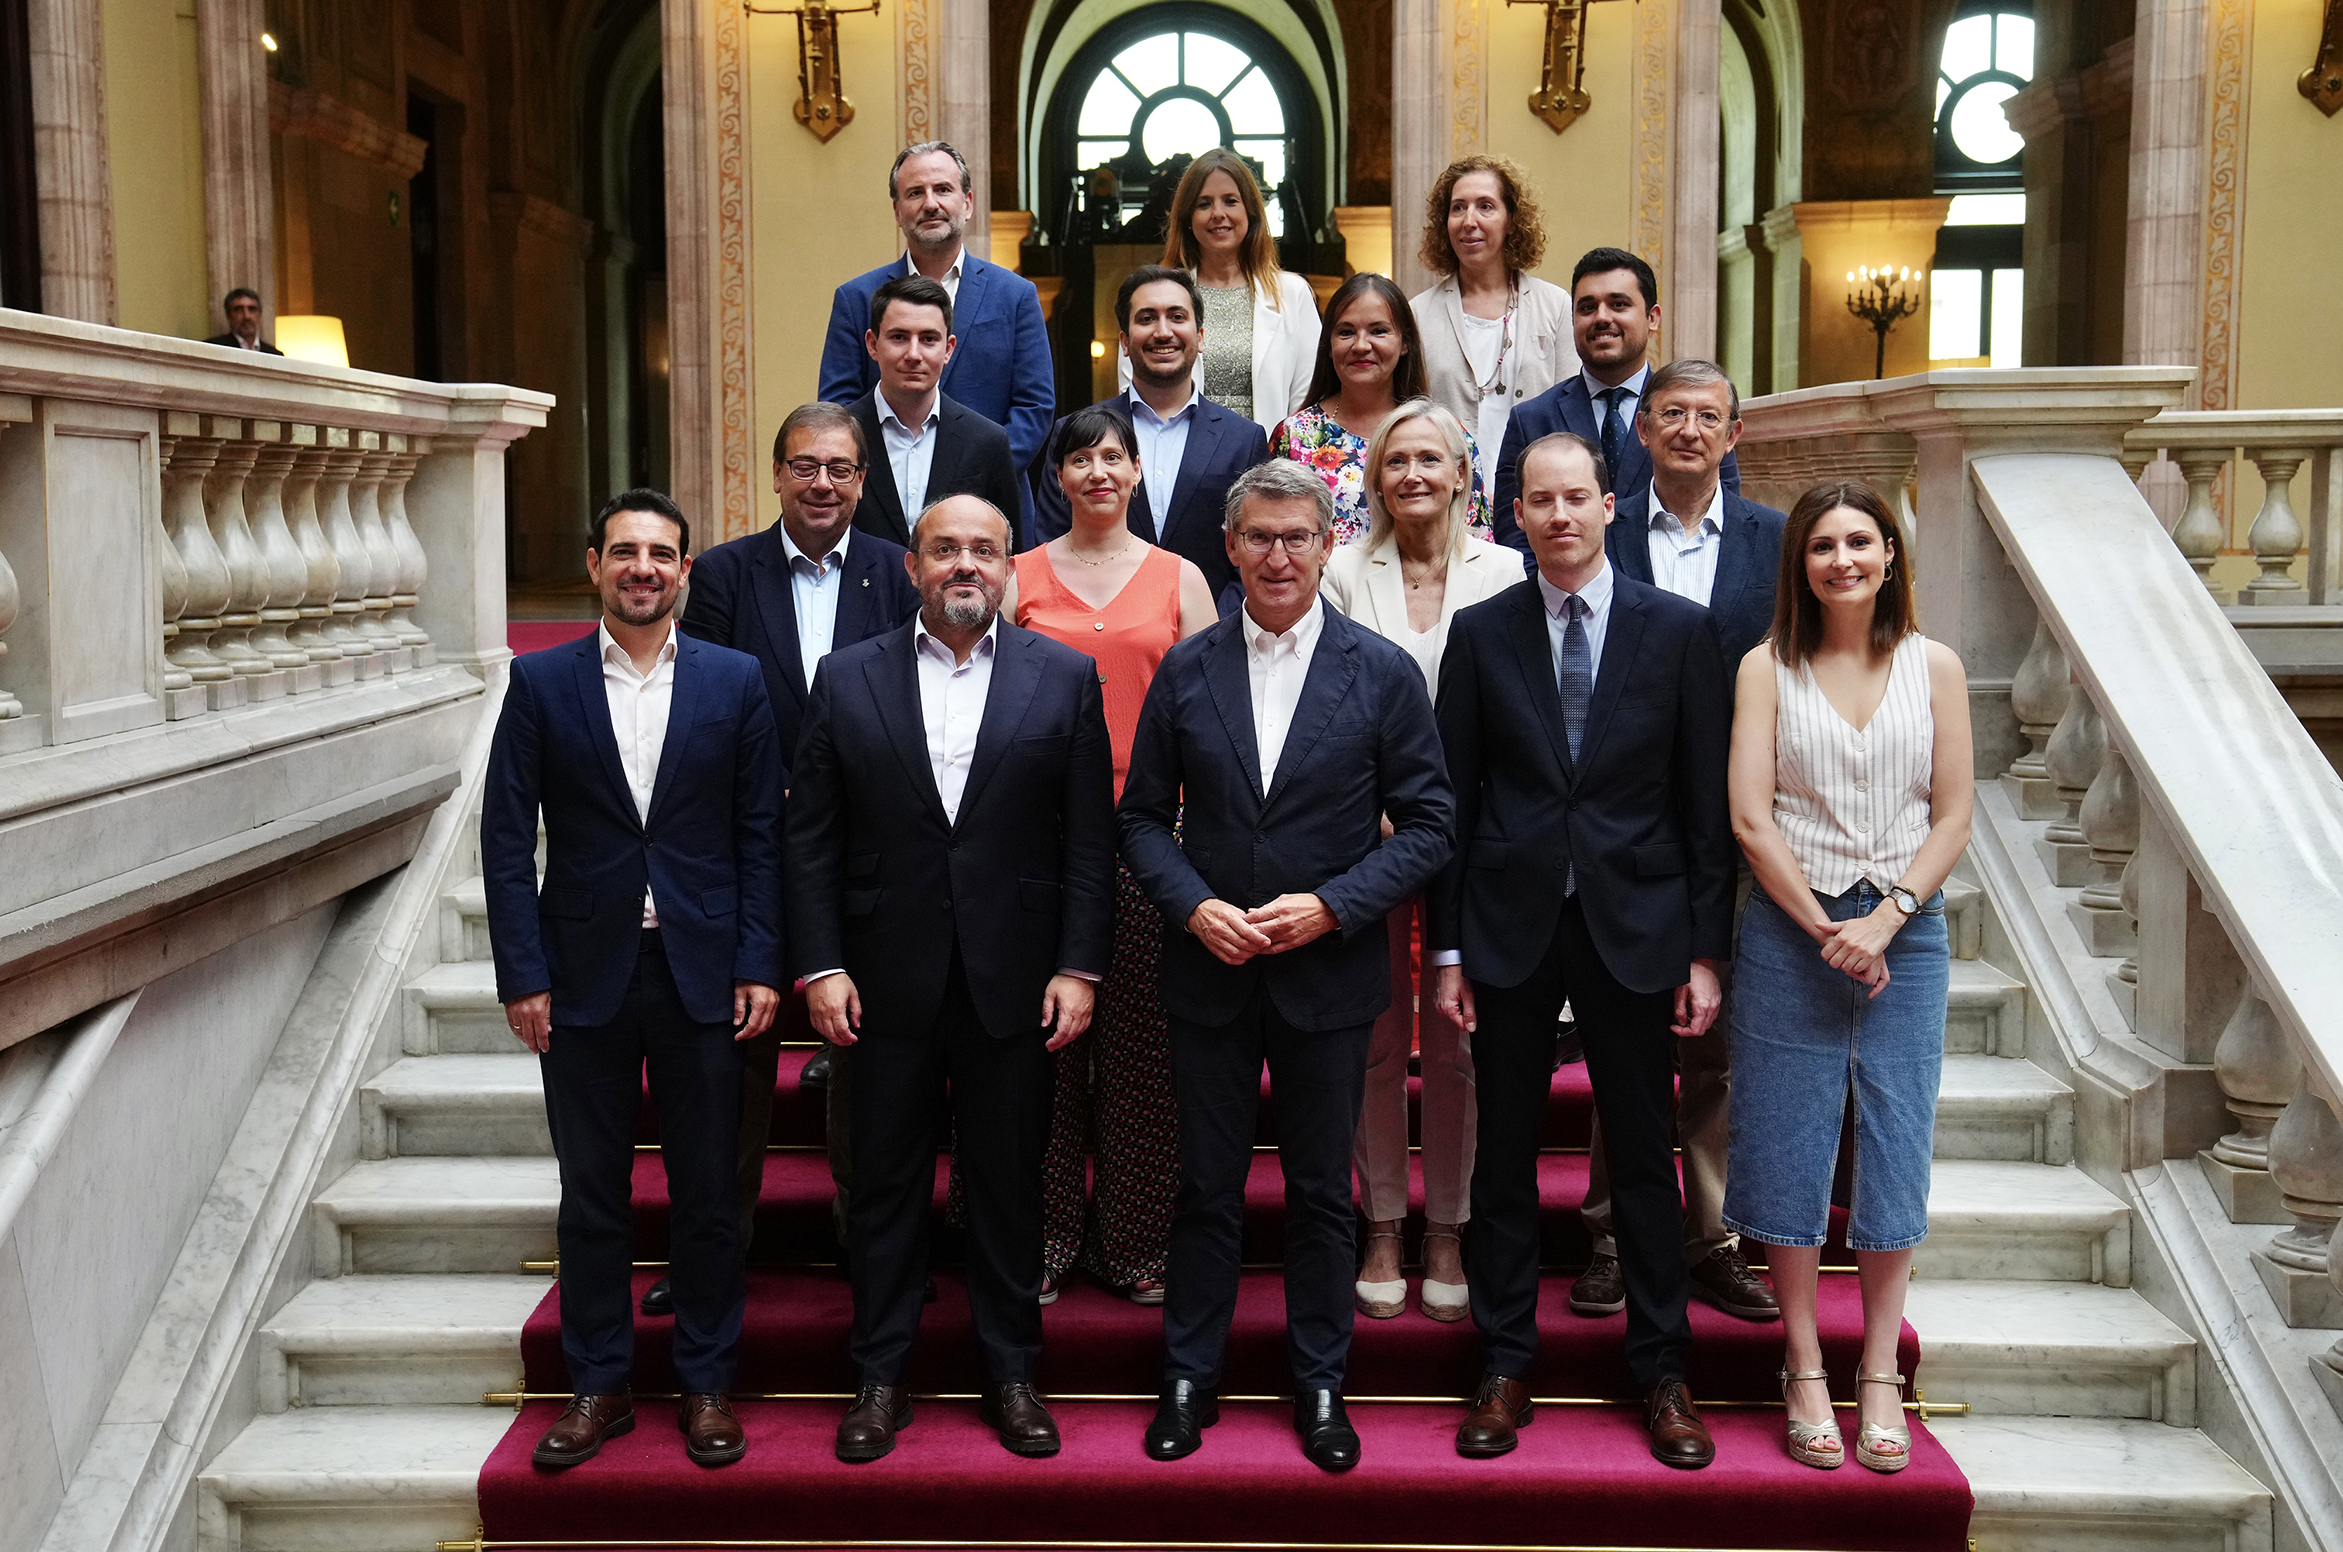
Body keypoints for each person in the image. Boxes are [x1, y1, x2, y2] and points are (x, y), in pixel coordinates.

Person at [1119, 459, 1455, 1473]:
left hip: (1329, 975)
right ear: (1230, 547)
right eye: (1258, 537)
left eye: (1296, 537)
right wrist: (1193, 906)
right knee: (1208, 1188)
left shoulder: (1382, 670)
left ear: (1325, 546)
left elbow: (1433, 824)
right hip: (1211, 971)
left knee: (1318, 1190)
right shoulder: (1186, 669)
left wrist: (1337, 905)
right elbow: (1139, 819)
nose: (1277, 555)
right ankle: (1190, 1373)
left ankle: (1319, 1380)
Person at [788, 494, 1116, 1463]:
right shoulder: (845, 679)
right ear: (912, 566)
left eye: (983, 548)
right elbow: (811, 840)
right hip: (882, 979)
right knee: (884, 1185)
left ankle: (1011, 1373)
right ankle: (880, 1376)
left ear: (1010, 566)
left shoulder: (1065, 678)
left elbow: (1088, 844)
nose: (964, 563)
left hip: (1016, 978)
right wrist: (822, 962)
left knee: (1008, 1184)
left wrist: (1079, 964)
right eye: (945, 549)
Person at [1431, 433, 1732, 1469]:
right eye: (1538, 501)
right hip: (1511, 928)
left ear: (1612, 504)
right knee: (1504, 1157)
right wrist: (1450, 948)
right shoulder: (1480, 634)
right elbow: (1452, 805)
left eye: (1577, 498)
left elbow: (1704, 808)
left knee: (1646, 1159)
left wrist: (1704, 952)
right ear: (1514, 515)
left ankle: (1662, 1370)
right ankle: (1508, 1361)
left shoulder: (1679, 633)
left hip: (1639, 927)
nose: (1559, 516)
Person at [481, 488, 782, 1471]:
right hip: (580, 980)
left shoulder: (737, 682)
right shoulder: (542, 684)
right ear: (594, 565)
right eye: (625, 552)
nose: (643, 567)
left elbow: (759, 837)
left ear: (685, 571)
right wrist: (523, 972)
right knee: (593, 1195)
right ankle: (599, 1385)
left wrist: (757, 960)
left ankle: (704, 1384)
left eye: (661, 553)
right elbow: (503, 839)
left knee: (704, 1194)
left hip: (704, 975)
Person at [652, 403, 921, 1319]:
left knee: (866, 1055)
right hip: (752, 848)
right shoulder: (725, 575)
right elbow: (706, 707)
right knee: (736, 1061)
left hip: (872, 857)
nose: (822, 483)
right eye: (805, 466)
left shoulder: (898, 571)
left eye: (840, 469)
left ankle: (865, 1235)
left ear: (861, 482)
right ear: (776, 476)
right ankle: (714, 1247)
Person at [1724, 479, 1971, 1474]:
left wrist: (1887, 919)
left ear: (1890, 553)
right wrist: (1829, 924)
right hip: (1795, 931)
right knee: (1787, 1137)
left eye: (1859, 541)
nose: (1842, 559)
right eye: (1823, 545)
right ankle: (1802, 1366)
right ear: (1802, 565)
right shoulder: (1764, 668)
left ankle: (1876, 1368)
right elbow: (1750, 815)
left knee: (1895, 1140)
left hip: (1905, 936)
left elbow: (1953, 812)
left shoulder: (1935, 665)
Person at [1570, 358, 1789, 1326]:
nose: (1691, 429)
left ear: (1733, 435)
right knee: (1628, 1038)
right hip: (1628, 819)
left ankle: (1707, 1236)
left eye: (1709, 415)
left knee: (1716, 1043)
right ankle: (1614, 1232)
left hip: (1744, 815)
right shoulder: (1598, 532)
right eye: (1672, 414)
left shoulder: (1775, 542)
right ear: (1643, 432)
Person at [1004, 403, 1218, 1305]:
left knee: (1138, 1050)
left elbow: (1214, 716)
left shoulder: (1181, 577)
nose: (1098, 471)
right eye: (1080, 458)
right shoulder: (1014, 574)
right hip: (1030, 838)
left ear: (1136, 474)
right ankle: (1041, 1238)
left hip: (1147, 836)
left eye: (1114, 457)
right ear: (1058, 476)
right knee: (1033, 1049)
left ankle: (1133, 1242)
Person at [1320, 399, 1517, 1325]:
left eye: (1429, 459)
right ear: (1374, 478)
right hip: (1366, 840)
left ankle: (1447, 1225)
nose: (1412, 476)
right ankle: (1383, 1224)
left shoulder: (1507, 570)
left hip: (1475, 842)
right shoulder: (1339, 571)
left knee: (1454, 1042)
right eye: (1395, 461)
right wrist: (1384, 812)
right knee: (1370, 1038)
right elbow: (1327, 702)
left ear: (1459, 473)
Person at [820, 141, 1054, 532]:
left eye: (943, 189)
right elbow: (838, 410)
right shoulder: (856, 298)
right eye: (916, 193)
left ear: (968, 203)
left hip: (989, 511)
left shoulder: (1015, 295)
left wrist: (967, 480)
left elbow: (1035, 406)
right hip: (878, 517)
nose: (931, 203)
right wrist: (888, 484)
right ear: (897, 211)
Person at [1038, 265, 1271, 605]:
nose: (1163, 332)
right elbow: (1050, 543)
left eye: (1177, 317)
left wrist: (1213, 635)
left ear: (1201, 336)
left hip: (1213, 640)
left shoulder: (1244, 440)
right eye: (1146, 318)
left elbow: (1256, 550)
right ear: (1125, 342)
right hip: (1096, 636)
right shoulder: (1072, 434)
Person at [1490, 247, 1742, 558]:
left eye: (1618, 304)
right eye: (1587, 308)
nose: (1602, 317)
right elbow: (1515, 542)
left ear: (1652, 318)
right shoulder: (1531, 420)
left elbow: (1725, 518)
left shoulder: (1698, 420)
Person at [1270, 272, 1489, 550]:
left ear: (1405, 343)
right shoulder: (1294, 437)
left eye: (1378, 331)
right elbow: (1273, 533)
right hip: (1324, 592)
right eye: (1346, 332)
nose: (1361, 345)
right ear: (1328, 346)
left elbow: (1476, 540)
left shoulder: (1447, 436)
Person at [1408, 157, 1577, 493]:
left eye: (1485, 206)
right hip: (1449, 499)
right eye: (1458, 208)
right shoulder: (1418, 313)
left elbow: (1571, 410)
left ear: (1511, 221)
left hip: (1536, 495)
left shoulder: (1554, 305)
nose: (1469, 221)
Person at [1125, 148, 1320, 432]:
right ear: (1188, 218)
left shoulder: (1293, 293)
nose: (1218, 214)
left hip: (1269, 464)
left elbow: (1308, 400)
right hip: (1177, 461)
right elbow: (1133, 391)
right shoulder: (1155, 295)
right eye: (1204, 204)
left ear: (1251, 212)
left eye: (1230, 201)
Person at [847, 276, 1024, 548]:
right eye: (899, 337)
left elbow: (1009, 555)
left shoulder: (987, 441)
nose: (914, 354)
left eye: (928, 339)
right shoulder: (842, 435)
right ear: (872, 344)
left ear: (948, 349)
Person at [203, 287, 283, 354]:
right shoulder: (213, 348)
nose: (246, 316)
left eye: (252, 309)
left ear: (259, 314)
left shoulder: (274, 354)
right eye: (239, 310)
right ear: (228, 315)